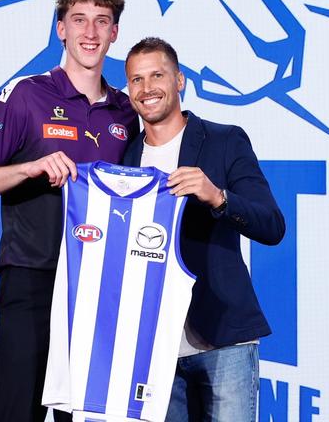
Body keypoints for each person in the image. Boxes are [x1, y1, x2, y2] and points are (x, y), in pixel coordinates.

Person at [0, 0, 138, 422]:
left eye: (102, 21)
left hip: (100, 287)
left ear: (115, 33)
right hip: (33, 277)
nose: (90, 32)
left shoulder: (125, 111)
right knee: (19, 411)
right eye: (79, 20)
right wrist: (29, 167)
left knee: (90, 415)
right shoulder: (28, 94)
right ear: (61, 29)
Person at [122, 37, 285, 422]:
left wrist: (219, 197)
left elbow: (272, 225)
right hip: (153, 346)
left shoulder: (225, 139)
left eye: (157, 75)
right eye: (136, 80)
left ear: (179, 80)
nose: (147, 89)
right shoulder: (126, 156)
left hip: (221, 336)